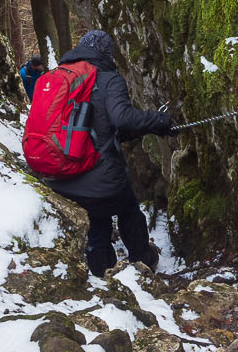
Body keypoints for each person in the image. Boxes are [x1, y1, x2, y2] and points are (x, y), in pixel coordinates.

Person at [29, 29, 173, 276]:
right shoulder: (107, 78)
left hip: (58, 177)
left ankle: (101, 272)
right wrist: (158, 120)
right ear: (107, 53)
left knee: (96, 219)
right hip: (99, 179)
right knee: (127, 207)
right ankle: (143, 261)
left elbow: (94, 126)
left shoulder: (58, 77)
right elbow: (122, 118)